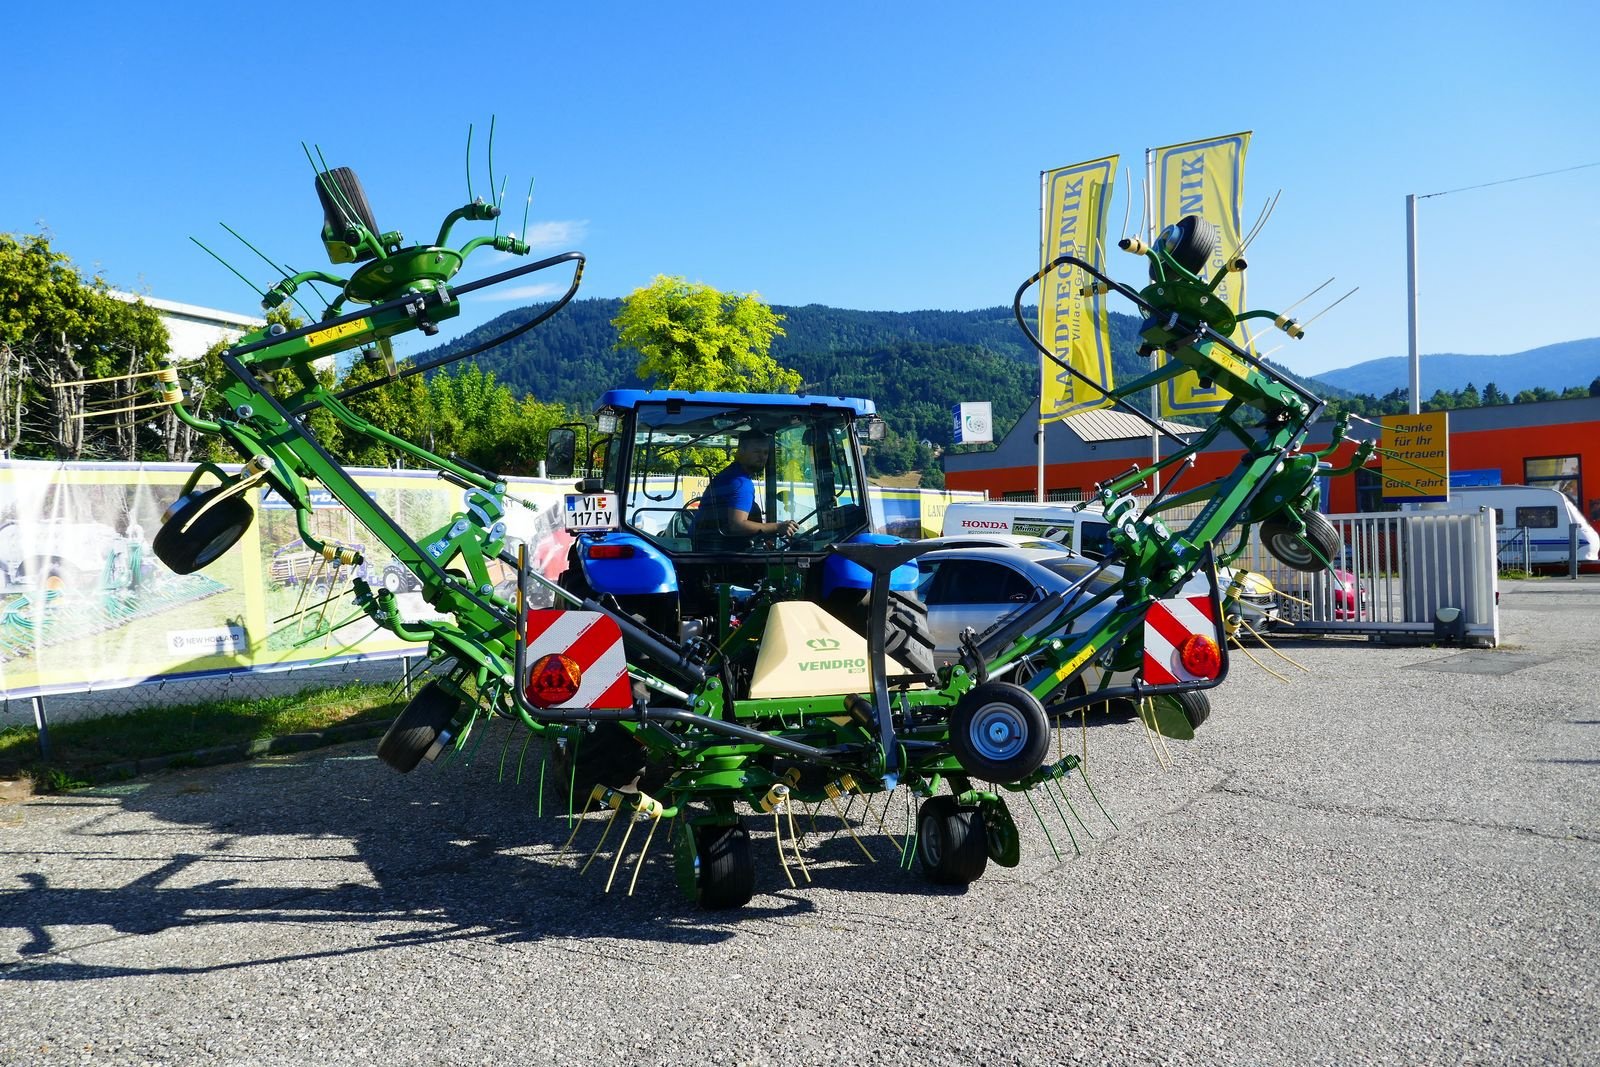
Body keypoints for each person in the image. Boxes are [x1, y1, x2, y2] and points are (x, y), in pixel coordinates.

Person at [694, 432, 797, 551]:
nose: (762, 457)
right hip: (725, 555)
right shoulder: (741, 483)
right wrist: (778, 527)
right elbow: (737, 525)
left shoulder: (728, 474)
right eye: (757, 451)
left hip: (705, 546)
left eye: (765, 453)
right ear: (741, 450)